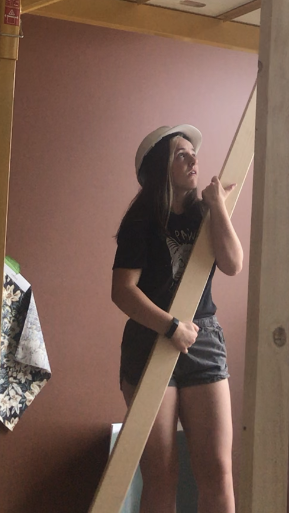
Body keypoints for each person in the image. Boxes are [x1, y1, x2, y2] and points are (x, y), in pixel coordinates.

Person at [111, 123, 243, 513]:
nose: (193, 159)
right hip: (151, 342)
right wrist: (170, 327)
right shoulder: (141, 221)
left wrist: (218, 205)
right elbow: (122, 290)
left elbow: (233, 263)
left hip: (203, 340)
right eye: (180, 154)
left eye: (193, 153)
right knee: (161, 473)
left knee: (218, 470)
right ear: (159, 169)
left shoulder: (205, 213)